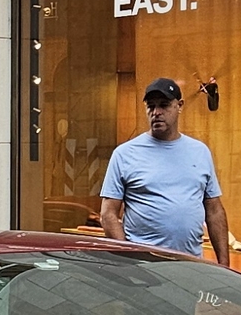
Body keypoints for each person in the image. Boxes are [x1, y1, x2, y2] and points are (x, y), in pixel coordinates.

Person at [98, 78, 231, 263]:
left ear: (180, 106)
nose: (156, 112)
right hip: (145, 266)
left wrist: (224, 264)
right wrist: (129, 258)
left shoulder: (200, 152)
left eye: (164, 105)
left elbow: (214, 210)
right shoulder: (125, 154)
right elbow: (108, 214)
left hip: (191, 264)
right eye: (151, 106)